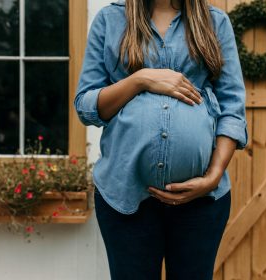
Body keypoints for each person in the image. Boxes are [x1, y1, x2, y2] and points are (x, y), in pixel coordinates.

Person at [74, 0, 248, 279]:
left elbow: (232, 108)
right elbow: (86, 106)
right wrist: (140, 79)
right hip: (125, 197)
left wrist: (213, 176)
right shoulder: (110, 20)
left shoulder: (215, 22)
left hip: (201, 201)